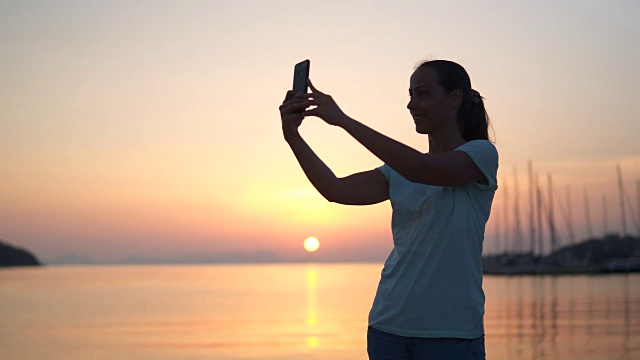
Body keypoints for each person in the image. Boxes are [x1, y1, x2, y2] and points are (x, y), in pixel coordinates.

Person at [279, 59, 497, 360]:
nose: (411, 105)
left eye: (422, 94)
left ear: (454, 99)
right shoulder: (396, 172)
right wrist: (293, 136)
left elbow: (423, 168)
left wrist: (343, 120)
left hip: (450, 336)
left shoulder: (480, 155)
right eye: (410, 95)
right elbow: (335, 190)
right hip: (387, 329)